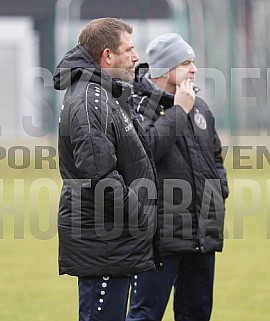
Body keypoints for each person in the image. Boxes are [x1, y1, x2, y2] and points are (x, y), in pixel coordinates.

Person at [53, 18, 163, 321]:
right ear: (107, 55)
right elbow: (100, 176)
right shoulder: (90, 98)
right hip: (105, 245)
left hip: (113, 245)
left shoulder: (104, 93)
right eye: (129, 49)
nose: (136, 57)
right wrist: (141, 217)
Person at [126, 33, 229, 321]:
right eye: (185, 63)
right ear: (164, 68)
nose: (193, 69)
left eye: (193, 61)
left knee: (196, 313)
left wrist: (220, 191)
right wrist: (179, 110)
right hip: (160, 237)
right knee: (145, 314)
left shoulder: (201, 107)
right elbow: (146, 151)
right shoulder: (137, 106)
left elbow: (216, 157)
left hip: (201, 235)